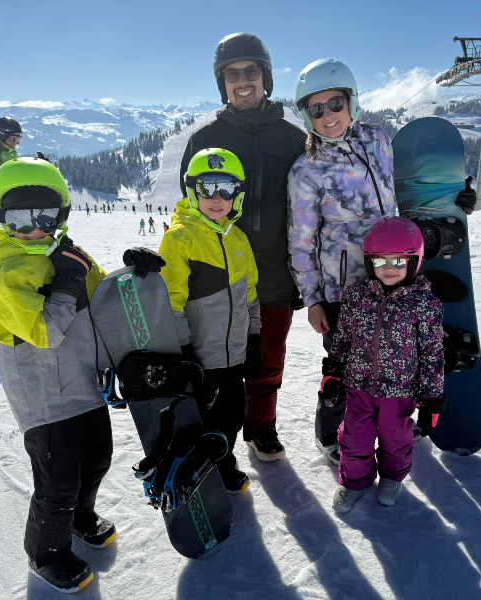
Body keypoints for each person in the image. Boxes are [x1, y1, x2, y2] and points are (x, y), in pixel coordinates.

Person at [172, 32, 306, 462]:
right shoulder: (204, 138)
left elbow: (319, 202)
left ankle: (261, 428)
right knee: (216, 367)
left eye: (251, 72)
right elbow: (188, 204)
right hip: (213, 277)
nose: (242, 81)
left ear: (265, 77)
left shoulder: (293, 139)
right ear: (222, 83)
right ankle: (216, 439)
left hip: (272, 275)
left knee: (267, 364)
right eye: (233, 74)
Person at [0, 156, 115, 593]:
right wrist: (64, 281)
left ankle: (81, 517)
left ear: (61, 214)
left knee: (97, 459)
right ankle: (46, 553)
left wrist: (133, 277)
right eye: (20, 217)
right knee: (58, 482)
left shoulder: (67, 255)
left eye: (46, 215)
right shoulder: (6, 274)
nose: (34, 228)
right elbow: (45, 331)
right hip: (45, 402)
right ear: (2, 217)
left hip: (83, 384)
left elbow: (102, 302)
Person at [288, 58, 396, 464]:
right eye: (316, 109)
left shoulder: (379, 140)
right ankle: (331, 431)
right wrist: (312, 299)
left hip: (392, 277)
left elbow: (400, 195)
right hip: (343, 290)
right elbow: (300, 241)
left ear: (352, 101)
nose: (328, 115)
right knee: (345, 368)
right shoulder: (307, 170)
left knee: (394, 358)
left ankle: (390, 423)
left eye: (335, 103)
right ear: (306, 116)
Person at [159, 148, 262, 494]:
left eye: (227, 188)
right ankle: (201, 468)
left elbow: (250, 294)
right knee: (206, 417)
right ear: (193, 191)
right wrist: (183, 348)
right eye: (208, 188)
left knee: (234, 415)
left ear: (238, 194)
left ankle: (224, 460)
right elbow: (171, 303)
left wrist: (255, 338)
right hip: (202, 357)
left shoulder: (237, 238)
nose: (217, 198)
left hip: (234, 353)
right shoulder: (179, 239)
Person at [325, 218, 445, 513]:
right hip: (358, 386)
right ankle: (355, 481)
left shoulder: (424, 304)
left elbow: (432, 353)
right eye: (380, 262)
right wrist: (333, 371)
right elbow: (343, 337)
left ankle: (392, 477)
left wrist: (431, 399)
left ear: (413, 262)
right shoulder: (356, 296)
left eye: (398, 261)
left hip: (400, 391)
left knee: (396, 438)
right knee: (356, 437)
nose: (389, 269)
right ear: (369, 262)